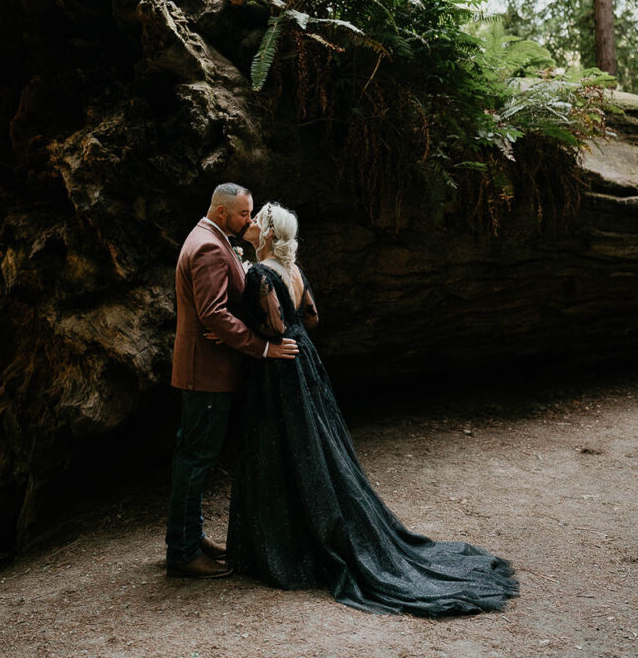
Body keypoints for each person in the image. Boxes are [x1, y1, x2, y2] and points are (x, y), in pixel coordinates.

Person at [219, 201, 519, 615]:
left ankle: (283, 547)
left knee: (280, 449)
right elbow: (312, 316)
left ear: (268, 234)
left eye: (259, 221)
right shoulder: (295, 270)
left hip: (279, 368)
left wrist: (253, 320)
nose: (252, 224)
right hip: (305, 360)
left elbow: (271, 328)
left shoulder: (261, 273)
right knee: (315, 447)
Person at [165, 184, 299, 579]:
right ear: (222, 213)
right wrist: (262, 347)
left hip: (205, 370)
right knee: (195, 460)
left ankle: (192, 536)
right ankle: (183, 552)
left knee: (193, 457)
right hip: (205, 372)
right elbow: (212, 313)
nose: (250, 221)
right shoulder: (208, 246)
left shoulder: (208, 237)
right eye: (244, 214)